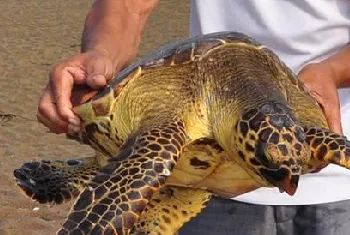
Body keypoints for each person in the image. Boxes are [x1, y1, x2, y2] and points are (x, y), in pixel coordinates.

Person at [37, 0, 350, 234]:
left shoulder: (300, 140)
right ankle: (95, 172)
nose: (288, 183)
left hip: (339, 192)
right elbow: (127, 6)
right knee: (152, 157)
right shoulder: (169, 129)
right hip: (195, 188)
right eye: (268, 159)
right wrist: (101, 54)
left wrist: (332, 72)